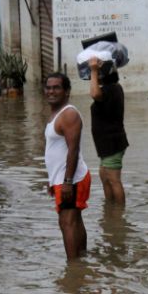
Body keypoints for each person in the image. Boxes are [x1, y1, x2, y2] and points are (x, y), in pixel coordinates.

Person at [44, 73, 91, 260]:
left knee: (67, 223)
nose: (51, 91)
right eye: (48, 88)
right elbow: (55, 150)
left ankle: (73, 268)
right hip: (63, 178)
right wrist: (52, 180)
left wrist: (67, 182)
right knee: (74, 221)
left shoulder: (69, 114)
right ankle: (82, 259)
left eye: (56, 87)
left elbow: (73, 149)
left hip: (72, 178)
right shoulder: (57, 114)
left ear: (67, 91)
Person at [88, 56, 129, 205]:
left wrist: (93, 70)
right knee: (105, 177)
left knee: (113, 180)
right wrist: (95, 71)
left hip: (112, 144)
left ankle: (119, 213)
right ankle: (110, 210)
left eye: (98, 74)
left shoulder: (111, 89)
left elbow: (94, 94)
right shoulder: (112, 88)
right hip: (107, 145)